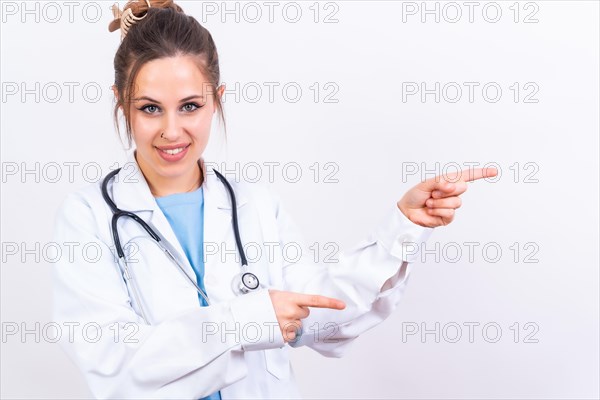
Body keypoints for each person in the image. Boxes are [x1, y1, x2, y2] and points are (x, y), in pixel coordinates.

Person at [51, 0, 497, 399]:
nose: (171, 130)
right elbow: (114, 367)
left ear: (216, 101)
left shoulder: (254, 204)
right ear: (122, 103)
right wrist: (247, 320)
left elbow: (321, 314)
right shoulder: (88, 217)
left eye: (190, 106)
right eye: (150, 108)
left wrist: (403, 225)